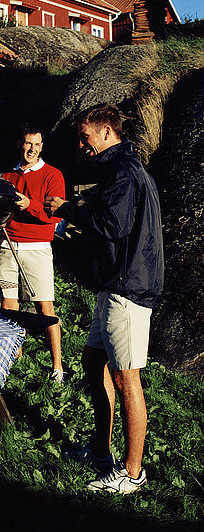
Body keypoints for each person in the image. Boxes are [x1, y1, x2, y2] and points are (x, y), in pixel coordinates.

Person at [44, 104, 164, 494]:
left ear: (108, 132)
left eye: (86, 137)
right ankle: (100, 449)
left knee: (126, 379)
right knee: (93, 358)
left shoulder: (125, 174)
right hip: (115, 283)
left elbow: (112, 225)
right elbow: (108, 213)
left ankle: (131, 474)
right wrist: (78, 211)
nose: (82, 145)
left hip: (127, 287)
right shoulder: (120, 170)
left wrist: (68, 212)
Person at [0, 124, 66, 382]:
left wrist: (29, 204)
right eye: (27, 143)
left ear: (42, 146)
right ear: (19, 144)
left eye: (37, 144)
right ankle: (16, 359)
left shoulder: (53, 175)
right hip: (8, 245)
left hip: (36, 248)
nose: (32, 149)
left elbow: (54, 216)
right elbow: (0, 211)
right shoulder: (8, 176)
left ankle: (57, 366)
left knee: (44, 306)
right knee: (8, 304)